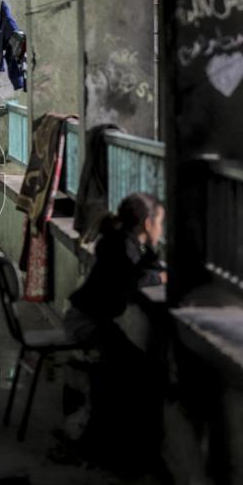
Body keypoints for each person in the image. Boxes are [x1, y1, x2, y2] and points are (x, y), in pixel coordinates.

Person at [63, 192, 167, 470]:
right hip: (86, 323)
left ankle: (104, 443)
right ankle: (99, 444)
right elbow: (132, 279)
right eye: (159, 223)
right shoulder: (121, 248)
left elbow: (135, 270)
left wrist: (153, 261)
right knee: (130, 369)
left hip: (92, 319)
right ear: (147, 223)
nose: (161, 229)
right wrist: (159, 275)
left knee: (133, 365)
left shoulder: (122, 243)